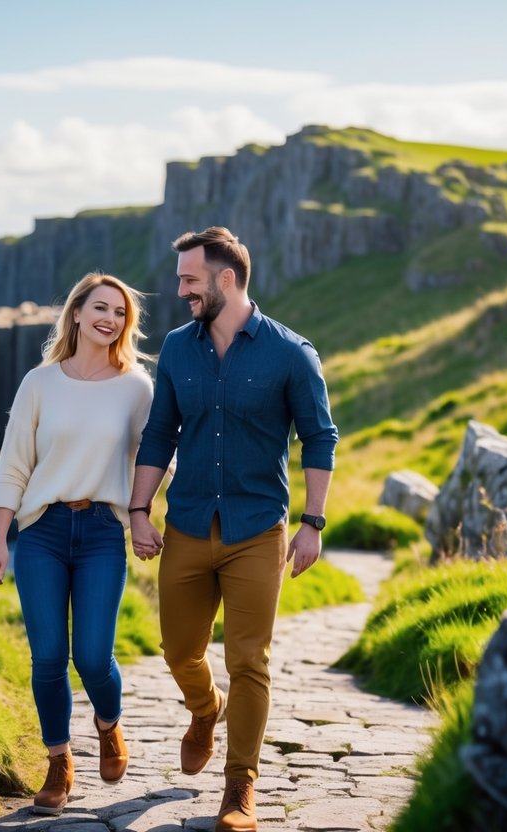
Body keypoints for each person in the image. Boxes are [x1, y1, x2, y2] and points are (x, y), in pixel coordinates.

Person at [128, 227, 338, 832]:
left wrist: (312, 523)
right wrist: (140, 512)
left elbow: (319, 438)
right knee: (179, 649)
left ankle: (240, 786)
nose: (180, 290)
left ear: (226, 279)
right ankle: (204, 709)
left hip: (257, 530)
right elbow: (159, 433)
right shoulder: (175, 348)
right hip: (189, 523)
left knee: (249, 659)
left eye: (190, 279)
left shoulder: (291, 353)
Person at [0, 272, 154, 816]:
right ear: (76, 313)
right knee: (49, 657)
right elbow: (15, 463)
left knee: (93, 657)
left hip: (104, 530)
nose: (111, 319)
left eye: (121, 312)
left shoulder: (137, 387)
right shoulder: (39, 382)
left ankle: (108, 724)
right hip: (43, 533)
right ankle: (58, 763)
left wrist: (141, 513)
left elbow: (155, 459)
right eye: (100, 307)